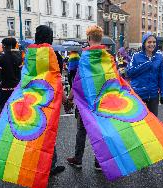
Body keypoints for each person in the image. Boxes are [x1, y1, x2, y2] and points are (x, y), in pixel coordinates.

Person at [66, 25, 105, 171]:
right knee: (99, 131)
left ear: (89, 39)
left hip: (84, 101)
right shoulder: (107, 57)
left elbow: (78, 80)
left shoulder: (85, 57)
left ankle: (78, 159)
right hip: (101, 101)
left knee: (82, 131)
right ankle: (99, 162)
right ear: (100, 39)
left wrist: (70, 98)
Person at [33, 25, 66, 176]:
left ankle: (34, 163)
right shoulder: (55, 56)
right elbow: (57, 81)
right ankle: (49, 166)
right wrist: (65, 99)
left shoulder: (30, 54)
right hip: (50, 100)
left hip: (32, 98)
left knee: (35, 131)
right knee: (49, 133)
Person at [126, 32, 163, 116]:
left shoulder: (159, 57)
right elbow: (129, 73)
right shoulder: (136, 56)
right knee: (139, 119)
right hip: (139, 93)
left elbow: (161, 76)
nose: (152, 44)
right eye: (149, 42)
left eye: (154, 42)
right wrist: (145, 65)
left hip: (153, 94)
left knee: (153, 119)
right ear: (144, 43)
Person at [0, 38, 22, 127]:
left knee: (0, 106)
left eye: (3, 44)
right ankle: (15, 127)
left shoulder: (0, 58)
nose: (2, 46)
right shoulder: (18, 58)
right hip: (16, 88)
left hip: (5, 87)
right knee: (16, 108)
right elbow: (20, 73)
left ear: (6, 46)